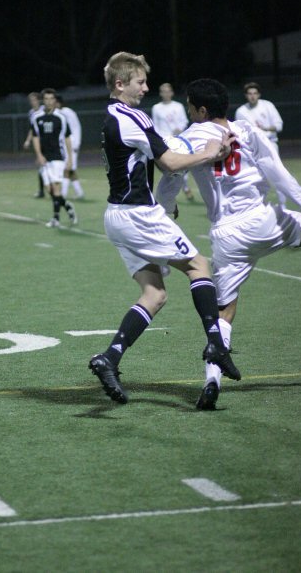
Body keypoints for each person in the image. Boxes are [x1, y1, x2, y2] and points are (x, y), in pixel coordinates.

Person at [88, 52, 241, 405]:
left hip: (117, 216)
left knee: (154, 295)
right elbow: (170, 162)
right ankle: (216, 345)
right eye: (140, 81)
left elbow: (162, 151)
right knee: (200, 266)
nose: (146, 87)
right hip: (138, 214)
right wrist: (210, 152)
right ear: (121, 84)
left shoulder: (113, 115)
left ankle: (109, 358)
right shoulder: (132, 116)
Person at [156, 78, 301, 410]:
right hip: (264, 221)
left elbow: (171, 172)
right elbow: (279, 173)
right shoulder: (245, 129)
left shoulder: (191, 137)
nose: (187, 111)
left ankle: (211, 382)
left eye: (189, 105)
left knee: (223, 313)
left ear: (201, 110)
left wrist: (165, 208)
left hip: (227, 236)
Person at [31, 88, 78, 228]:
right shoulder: (37, 117)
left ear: (55, 101)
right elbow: (35, 137)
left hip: (58, 157)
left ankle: (56, 218)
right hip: (44, 159)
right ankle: (68, 206)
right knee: (49, 190)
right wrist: (39, 155)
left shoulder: (61, 117)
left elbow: (67, 138)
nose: (49, 101)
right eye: (46, 99)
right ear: (42, 100)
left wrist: (70, 159)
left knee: (56, 188)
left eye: (52, 99)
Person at [235, 82, 285, 205]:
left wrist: (266, 129)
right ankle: (259, 206)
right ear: (246, 95)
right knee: (256, 178)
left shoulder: (267, 105)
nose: (252, 96)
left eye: (255, 93)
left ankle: (283, 206)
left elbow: (279, 125)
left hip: (270, 144)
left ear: (259, 94)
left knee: (277, 176)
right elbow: (239, 132)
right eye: (250, 93)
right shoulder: (241, 111)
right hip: (253, 149)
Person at [151, 82, 194, 201]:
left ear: (172, 92)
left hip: (179, 141)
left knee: (182, 167)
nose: (166, 93)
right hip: (165, 141)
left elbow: (184, 121)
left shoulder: (178, 106)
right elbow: (155, 125)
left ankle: (183, 188)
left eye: (168, 91)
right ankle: (168, 195)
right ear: (160, 93)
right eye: (163, 91)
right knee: (168, 168)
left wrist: (180, 129)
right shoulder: (156, 108)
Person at [56, 95, 85, 200]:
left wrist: (77, 143)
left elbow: (76, 127)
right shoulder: (57, 113)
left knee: (67, 168)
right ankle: (80, 193)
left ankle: (62, 194)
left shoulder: (68, 112)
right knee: (71, 169)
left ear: (58, 103)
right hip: (63, 145)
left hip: (72, 144)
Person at [23, 92, 45, 198]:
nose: (32, 102)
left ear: (38, 100)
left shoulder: (44, 110)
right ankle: (42, 190)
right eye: (31, 101)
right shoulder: (31, 113)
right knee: (41, 166)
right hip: (39, 143)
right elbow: (33, 129)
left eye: (34, 100)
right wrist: (28, 140)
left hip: (48, 142)